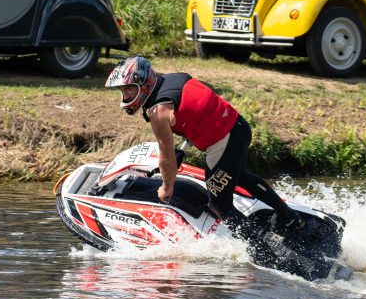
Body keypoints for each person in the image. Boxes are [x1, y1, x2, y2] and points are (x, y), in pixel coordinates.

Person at [105, 56, 305, 235]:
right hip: (239, 127)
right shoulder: (177, 77)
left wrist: (167, 187)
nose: (127, 95)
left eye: (130, 88)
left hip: (223, 143)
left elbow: (166, 156)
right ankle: (290, 218)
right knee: (241, 176)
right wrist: (183, 148)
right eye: (123, 90)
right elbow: (199, 110)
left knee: (220, 205)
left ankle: (262, 250)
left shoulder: (158, 112)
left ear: (144, 84)